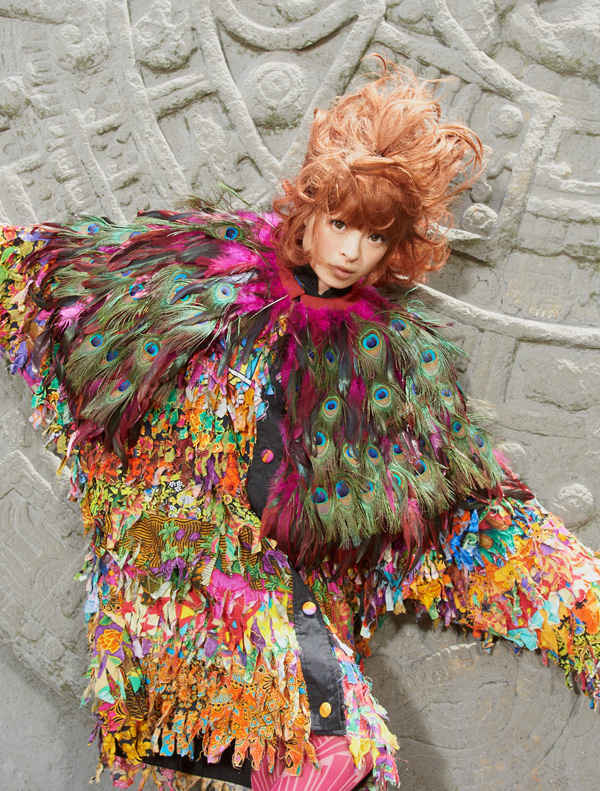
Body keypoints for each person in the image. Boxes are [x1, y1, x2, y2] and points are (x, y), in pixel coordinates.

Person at [0, 60, 599, 791]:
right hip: (170, 611)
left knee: (347, 756)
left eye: (374, 237)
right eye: (341, 224)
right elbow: (39, 275)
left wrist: (583, 610)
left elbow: (466, 516)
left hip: (291, 652)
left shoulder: (389, 363)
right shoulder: (196, 268)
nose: (349, 252)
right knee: (313, 750)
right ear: (309, 210)